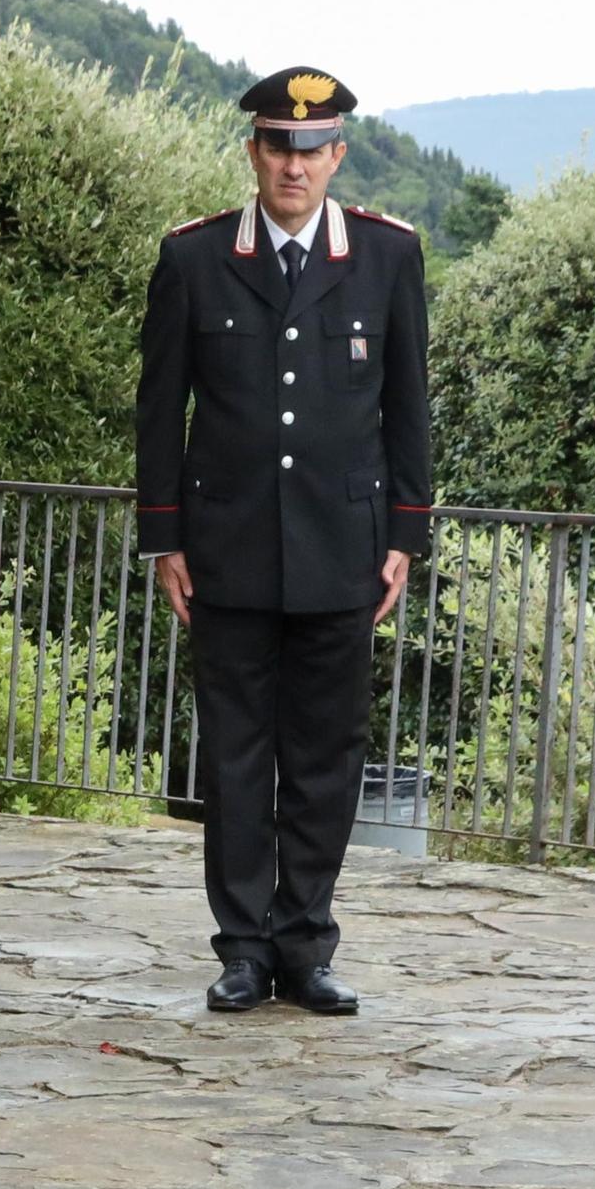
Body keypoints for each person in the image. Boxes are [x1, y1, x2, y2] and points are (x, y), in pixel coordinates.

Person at [135, 66, 431, 1017]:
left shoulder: (387, 256)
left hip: (343, 547)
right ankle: (244, 949)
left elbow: (407, 407)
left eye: (311, 148)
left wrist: (404, 535)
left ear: (338, 153)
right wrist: (164, 539)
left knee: (325, 756)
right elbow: (159, 411)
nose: (292, 164)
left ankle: (306, 943)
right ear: (253, 151)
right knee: (232, 755)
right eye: (276, 144)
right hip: (226, 551)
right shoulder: (194, 257)